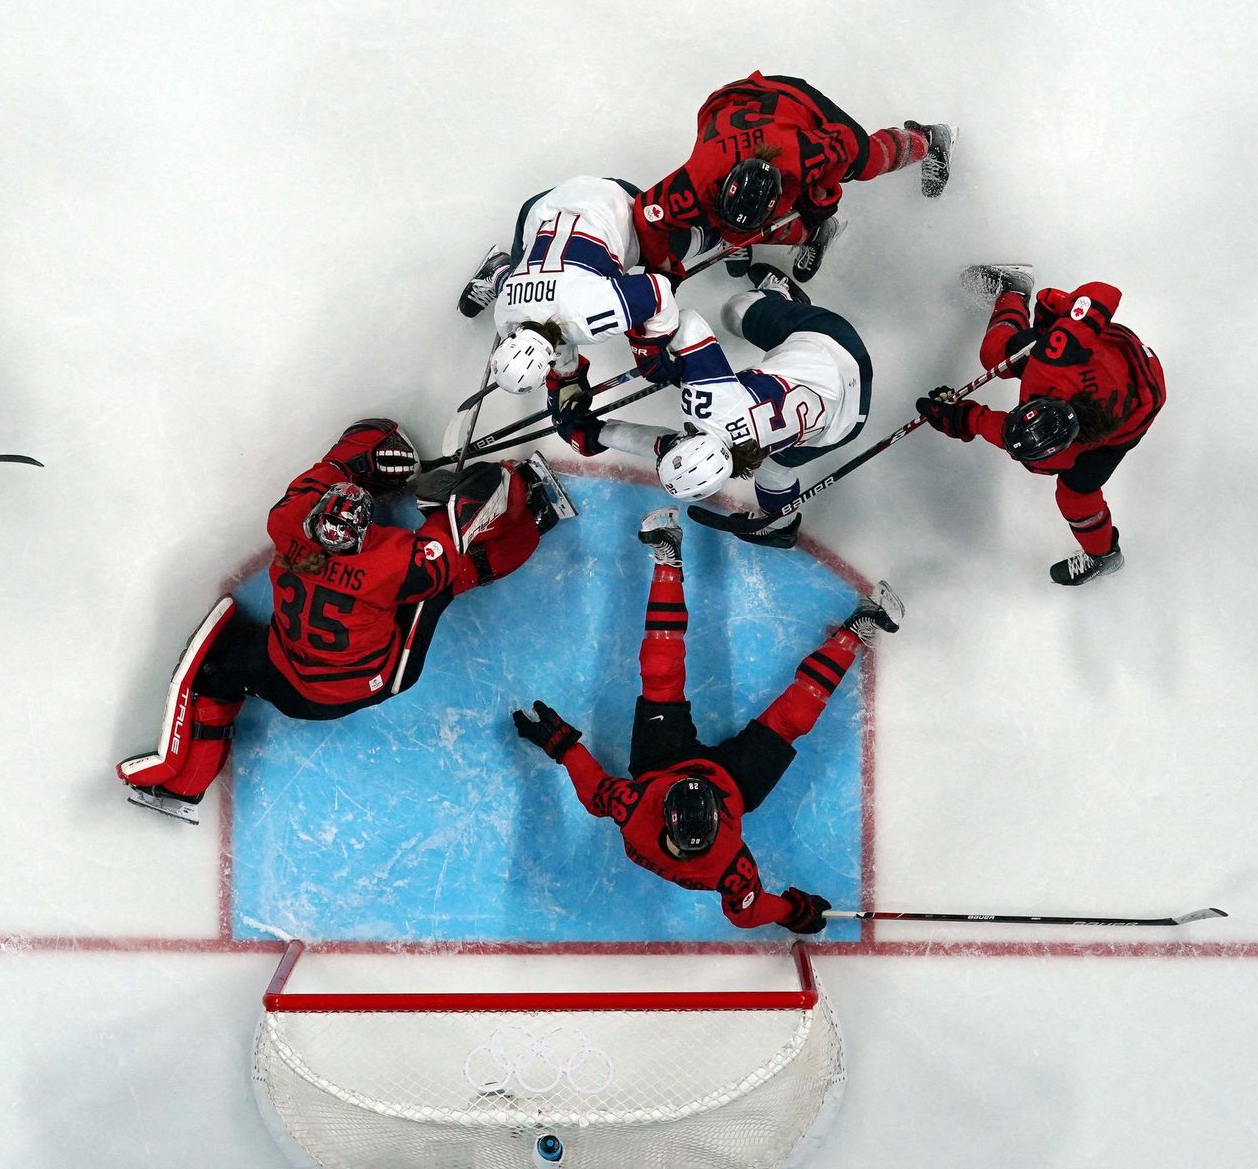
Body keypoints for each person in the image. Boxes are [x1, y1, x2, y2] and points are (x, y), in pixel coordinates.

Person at [117, 419, 574, 822]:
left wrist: (364, 460)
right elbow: (459, 525)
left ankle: (185, 786)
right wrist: (503, 482)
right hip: (372, 680)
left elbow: (337, 461)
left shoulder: (286, 522)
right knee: (442, 585)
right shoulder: (392, 563)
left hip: (286, 681)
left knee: (217, 676)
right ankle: (536, 518)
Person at [511, 508, 897, 934]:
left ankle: (668, 558)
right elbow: (747, 912)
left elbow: (595, 793)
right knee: (793, 718)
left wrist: (563, 746)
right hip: (735, 784)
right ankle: (853, 632)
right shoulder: (728, 863)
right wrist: (790, 910)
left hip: (661, 764)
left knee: (660, 672)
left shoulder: (636, 808)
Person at [553, 264, 871, 547]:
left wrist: (599, 432)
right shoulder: (711, 406)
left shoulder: (736, 458)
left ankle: (780, 525)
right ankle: (779, 296)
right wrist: (651, 353)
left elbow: (665, 443)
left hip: (845, 423)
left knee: (774, 468)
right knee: (736, 311)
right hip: (833, 345)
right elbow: (688, 323)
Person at [916, 266, 1166, 585]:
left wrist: (962, 418)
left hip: (1136, 408)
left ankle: (1104, 556)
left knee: (1076, 496)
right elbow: (1105, 293)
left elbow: (1006, 434)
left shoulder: (1053, 455)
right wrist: (1066, 317)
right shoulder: (1056, 356)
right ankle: (1015, 288)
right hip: (1107, 357)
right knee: (998, 352)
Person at [631, 72, 953, 285]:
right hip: (729, 102)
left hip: (793, 100)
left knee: (864, 162)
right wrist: (663, 270)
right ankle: (813, 233)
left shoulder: (802, 156)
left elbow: (844, 142)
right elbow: (647, 217)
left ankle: (927, 138)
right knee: (724, 222)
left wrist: (821, 194)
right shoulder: (696, 180)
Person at [456, 174, 714, 417]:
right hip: (541, 206)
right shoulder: (504, 314)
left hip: (613, 202)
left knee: (691, 243)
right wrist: (567, 378)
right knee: (520, 269)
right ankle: (498, 270)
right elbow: (552, 319)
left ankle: (723, 231)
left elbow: (659, 291)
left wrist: (650, 349)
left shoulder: (588, 316)